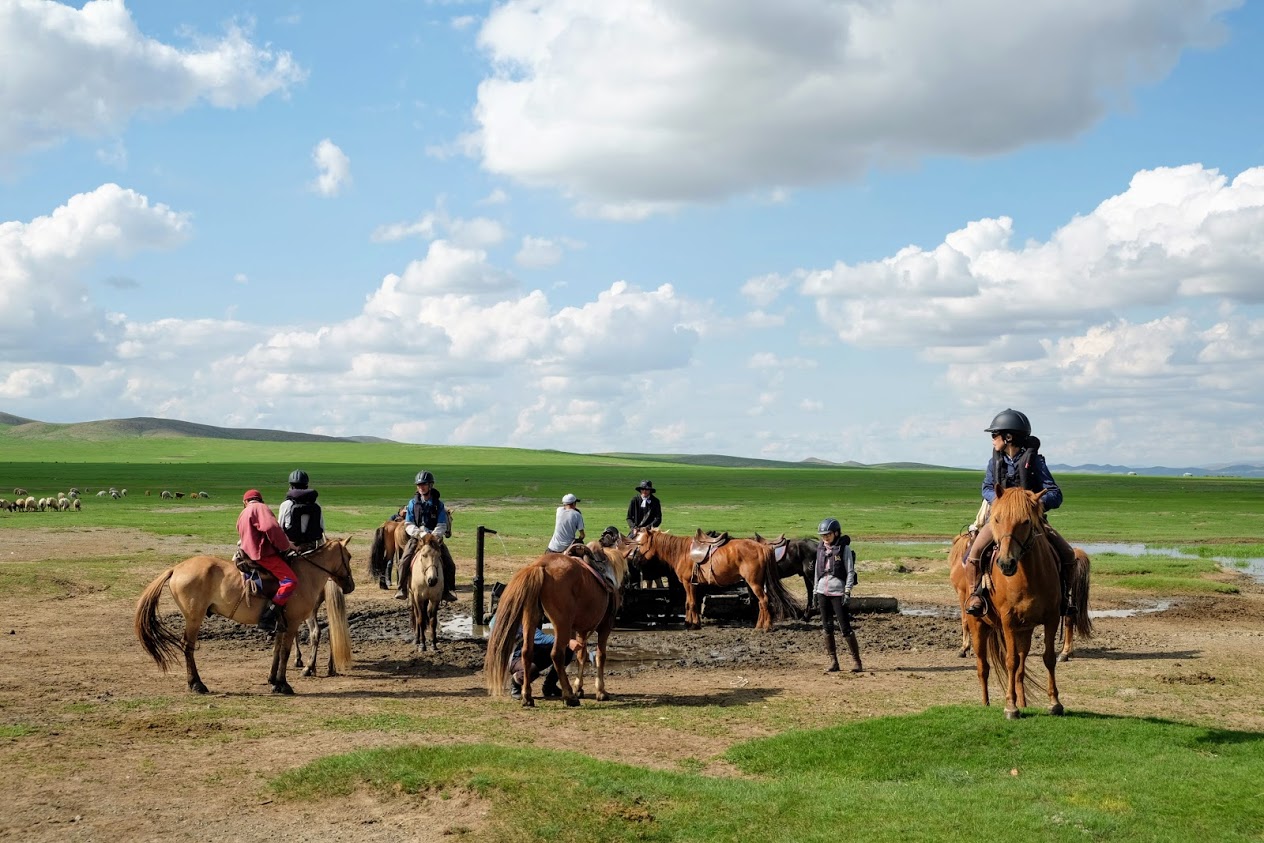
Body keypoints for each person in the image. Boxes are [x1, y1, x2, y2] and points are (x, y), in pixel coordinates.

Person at [962, 408, 1078, 618]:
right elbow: (987, 488)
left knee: (1068, 554)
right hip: (999, 521)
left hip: (1029, 522)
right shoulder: (994, 462)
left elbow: (1055, 494)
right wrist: (1002, 503)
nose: (992, 440)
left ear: (1008, 437)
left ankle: (1064, 598)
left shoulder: (1035, 461)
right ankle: (976, 595)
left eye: (994, 435)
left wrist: (1030, 503)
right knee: (974, 553)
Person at [236, 489, 296, 634]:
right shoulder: (260, 508)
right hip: (262, 555)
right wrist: (285, 546)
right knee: (290, 582)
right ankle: (268, 616)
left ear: (245, 502)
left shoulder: (244, 512)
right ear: (260, 500)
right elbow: (271, 527)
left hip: (246, 551)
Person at [395, 470, 457, 603]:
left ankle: (448, 590)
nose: (421, 487)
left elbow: (442, 523)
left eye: (424, 484)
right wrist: (421, 534)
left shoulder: (439, 505)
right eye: (419, 485)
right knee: (404, 561)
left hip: (434, 539)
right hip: (417, 539)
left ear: (430, 485)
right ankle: (402, 589)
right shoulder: (412, 504)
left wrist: (434, 535)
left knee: (450, 564)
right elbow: (409, 523)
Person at [814, 518, 862, 673]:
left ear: (835, 533)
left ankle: (857, 662)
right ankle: (834, 661)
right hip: (822, 591)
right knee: (827, 628)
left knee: (845, 628)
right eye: (823, 535)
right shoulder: (820, 549)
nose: (825, 538)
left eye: (828, 534)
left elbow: (850, 570)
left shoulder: (844, 549)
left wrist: (847, 590)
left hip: (838, 592)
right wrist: (815, 591)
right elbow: (817, 571)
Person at [278, 469, 325, 548]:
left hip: (291, 545)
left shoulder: (286, 505)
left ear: (291, 486)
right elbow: (321, 527)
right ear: (306, 485)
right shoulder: (316, 504)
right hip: (311, 544)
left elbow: (279, 528)